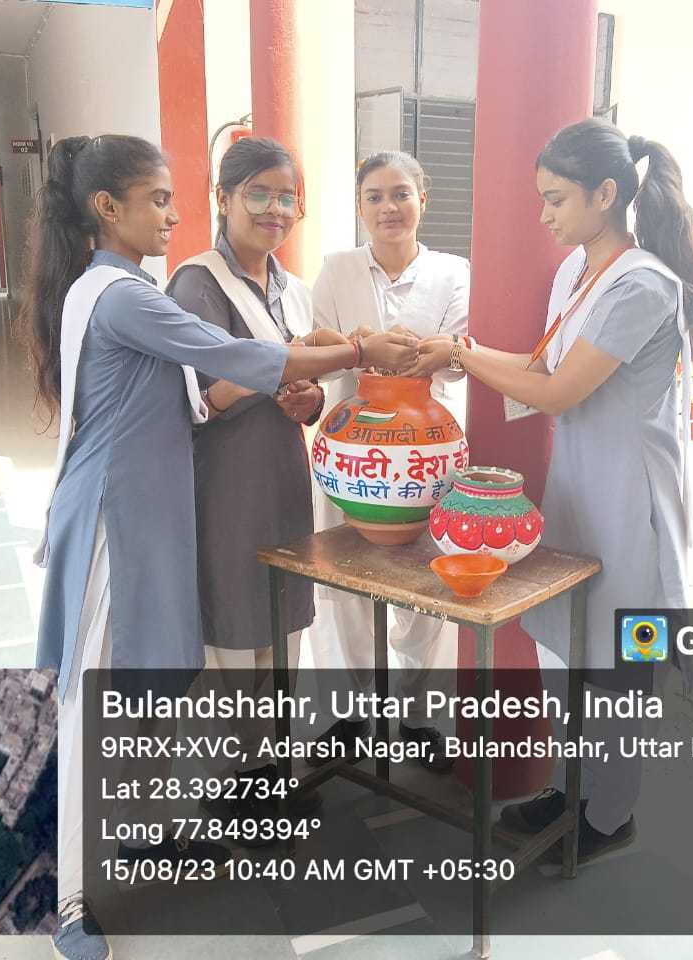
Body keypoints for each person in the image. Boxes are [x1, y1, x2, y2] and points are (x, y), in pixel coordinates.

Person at [20, 134, 417, 960]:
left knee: (149, 685)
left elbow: (196, 396)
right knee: (95, 700)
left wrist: (299, 383)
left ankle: (143, 834)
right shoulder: (126, 295)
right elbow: (232, 361)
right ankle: (65, 898)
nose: (172, 215)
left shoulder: (125, 286)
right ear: (106, 208)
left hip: (150, 512)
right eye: (158, 199)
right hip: (113, 518)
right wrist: (358, 350)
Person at [405, 118, 693, 862]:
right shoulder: (575, 272)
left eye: (556, 199)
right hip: (579, 489)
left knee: (621, 663)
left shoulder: (642, 284)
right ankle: (574, 789)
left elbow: (557, 391)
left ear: (606, 194)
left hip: (632, 503)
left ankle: (610, 815)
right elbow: (545, 369)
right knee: (566, 646)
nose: (543, 215)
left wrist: (461, 355)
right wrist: (460, 353)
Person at [166, 137, 389, 835]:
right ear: (223, 199)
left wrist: (306, 398)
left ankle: (265, 770)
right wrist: (289, 367)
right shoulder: (198, 284)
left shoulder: (290, 289)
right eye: (257, 194)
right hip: (227, 484)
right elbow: (205, 392)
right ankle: (221, 785)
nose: (274, 209)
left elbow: (303, 387)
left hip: (283, 479)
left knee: (279, 632)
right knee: (232, 635)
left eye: (286, 197)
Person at [308, 151, 470, 773]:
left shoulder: (453, 272)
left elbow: (456, 358)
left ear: (423, 199)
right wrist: (366, 350)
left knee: (428, 579)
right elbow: (320, 346)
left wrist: (390, 353)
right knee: (341, 575)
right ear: (359, 207)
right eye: (374, 196)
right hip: (351, 450)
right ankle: (349, 714)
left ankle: (420, 716)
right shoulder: (337, 269)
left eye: (401, 193)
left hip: (426, 450)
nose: (388, 208)